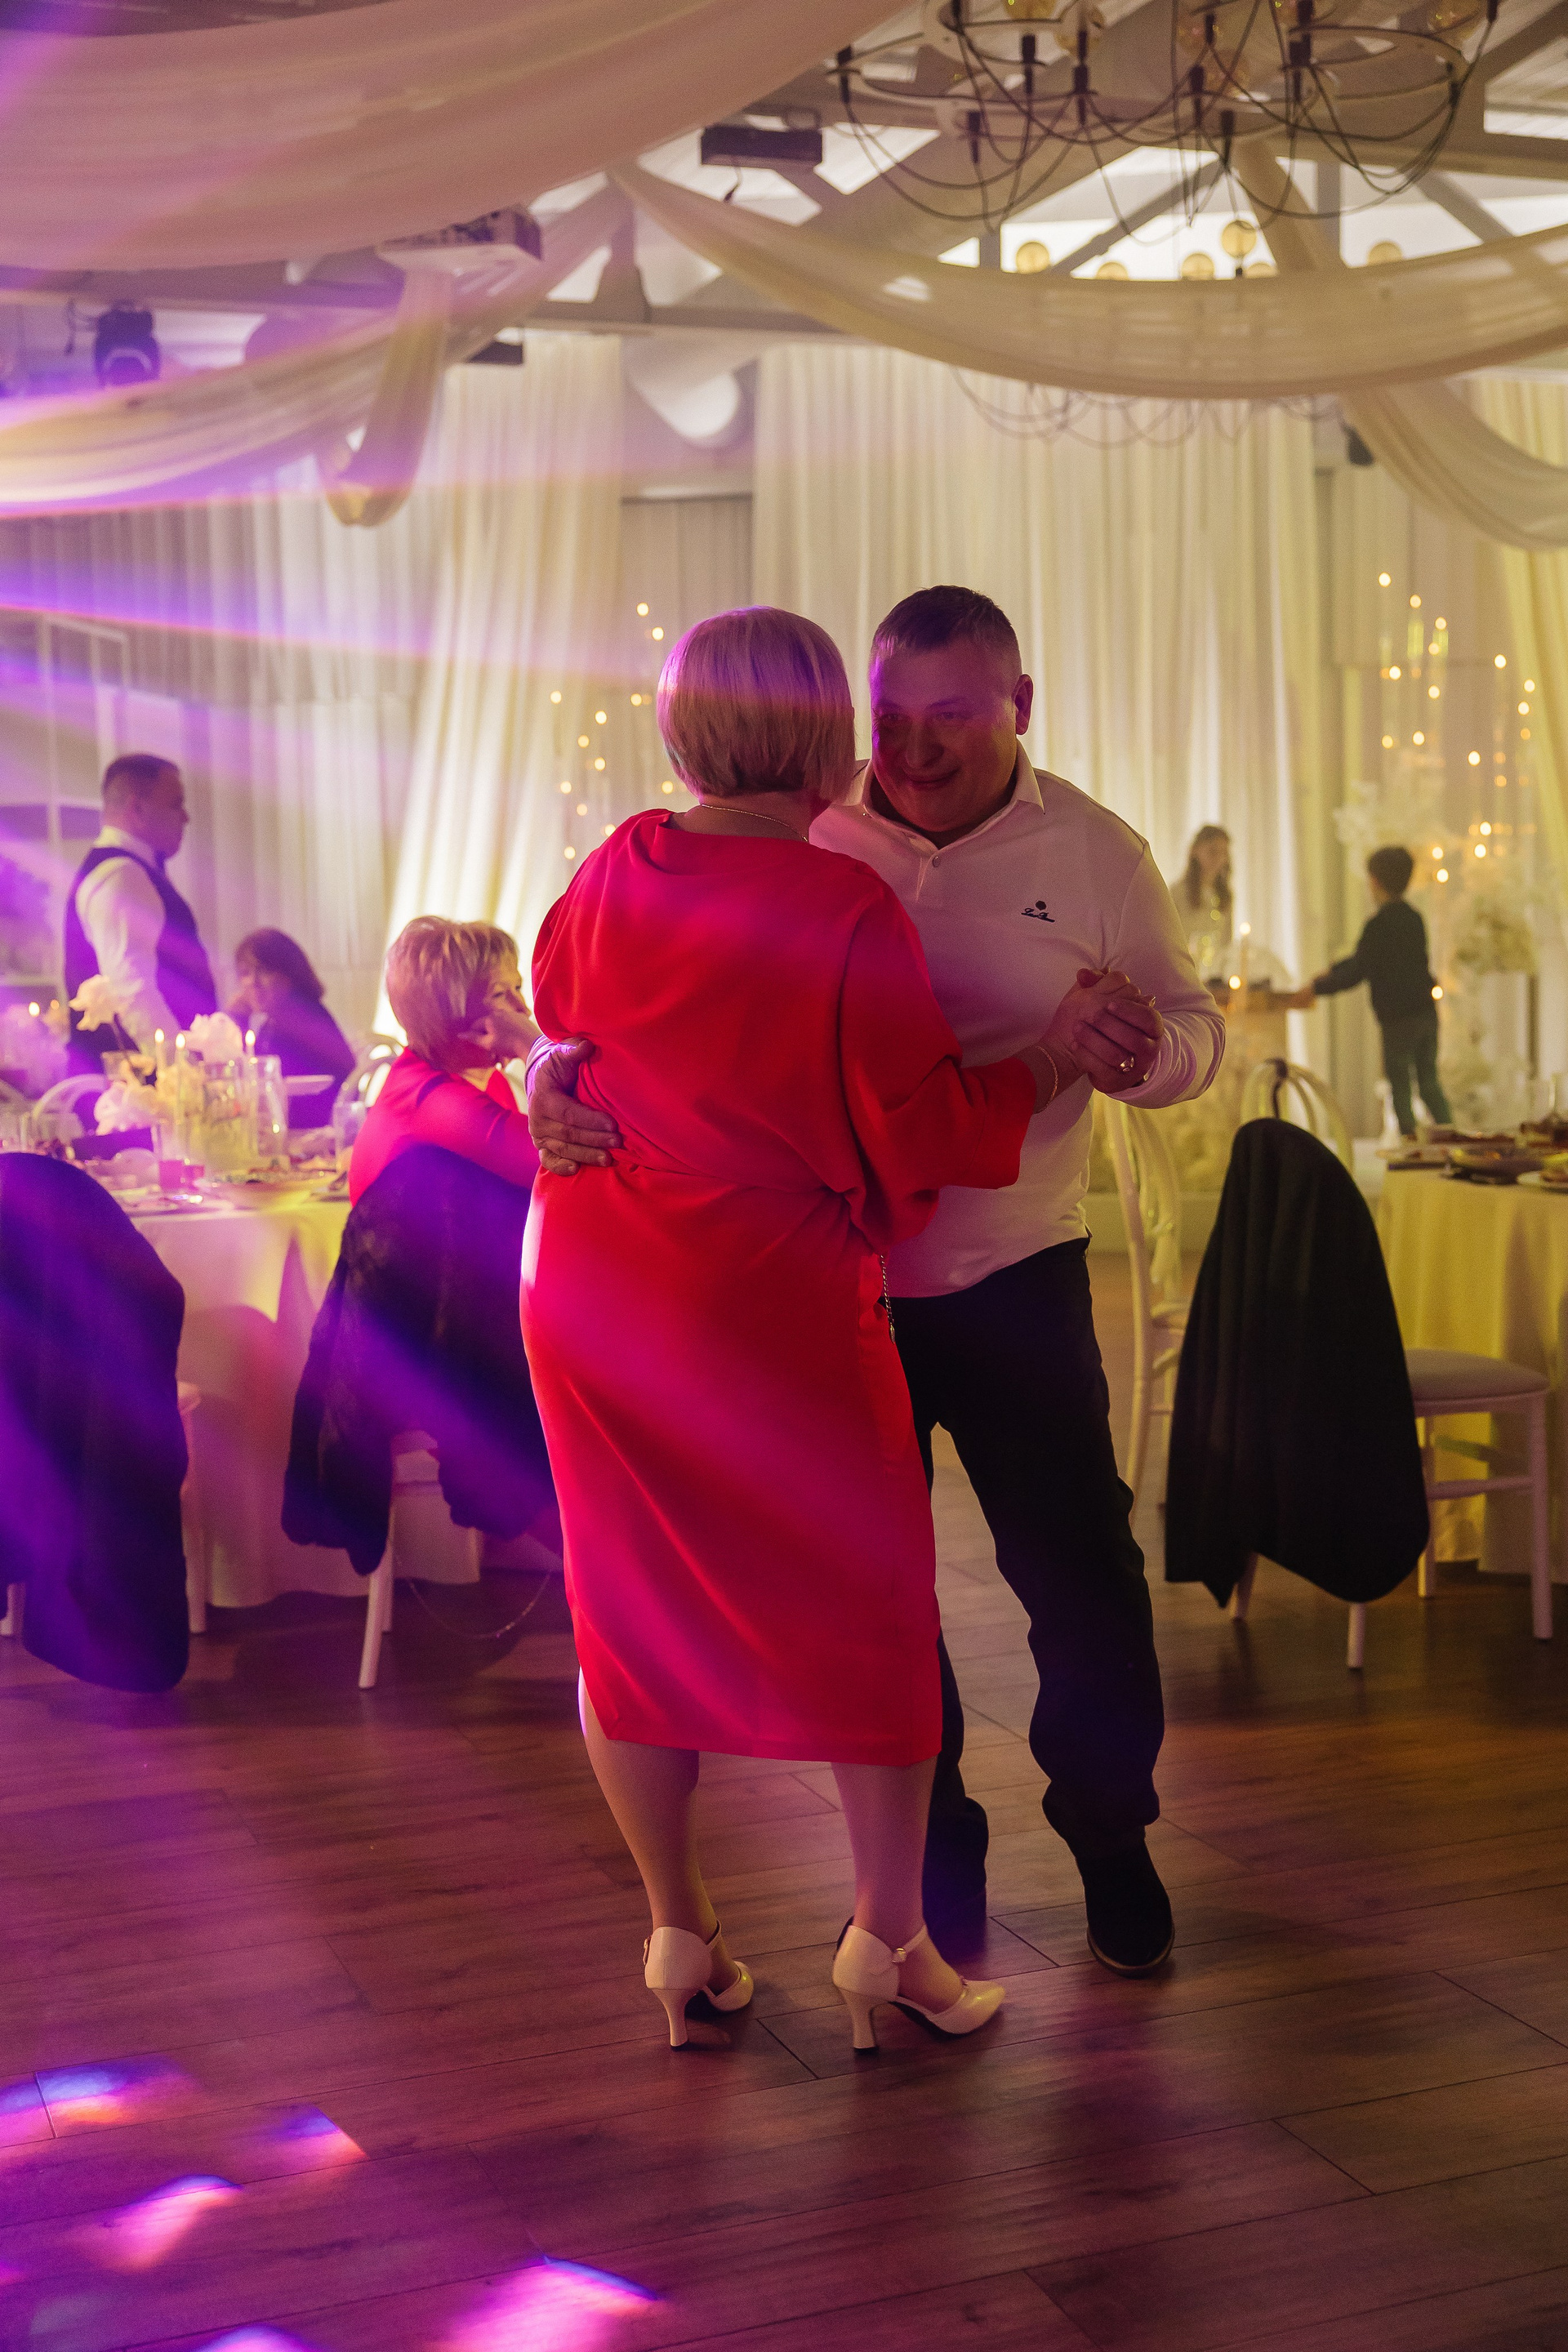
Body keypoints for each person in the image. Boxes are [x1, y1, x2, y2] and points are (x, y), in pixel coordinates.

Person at [532, 586, 1225, 1977]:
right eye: (892, 718)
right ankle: (928, 1882)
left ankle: (1109, 1830)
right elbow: (610, 1011)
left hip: (1016, 1272)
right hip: (828, 1295)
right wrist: (542, 1075)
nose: (909, 748)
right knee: (884, 1606)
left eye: (949, 717)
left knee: (1080, 1578)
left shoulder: (1097, 852)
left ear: (1018, 708)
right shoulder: (809, 830)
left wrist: (1142, 1051)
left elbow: (1197, 1028)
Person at [349, 918, 540, 1205]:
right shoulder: (431, 1099)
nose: (523, 1009)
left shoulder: (487, 1080)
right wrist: (532, 1047)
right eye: (500, 994)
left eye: (518, 988)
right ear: (443, 1011)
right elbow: (566, 1162)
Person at [1285, 844, 1451, 1136]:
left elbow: (1359, 968)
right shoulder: (1414, 919)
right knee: (1429, 1082)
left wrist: (1318, 986)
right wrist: (1331, 972)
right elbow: (1364, 960)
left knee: (1400, 1086)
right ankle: (1451, 1136)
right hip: (1426, 1012)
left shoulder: (1378, 925)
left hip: (1397, 1018)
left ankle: (1409, 1143)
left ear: (1374, 881)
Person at [65, 754, 217, 1072]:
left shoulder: (129, 871)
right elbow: (132, 989)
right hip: (141, 1085)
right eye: (176, 804)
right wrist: (185, 1075)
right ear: (137, 809)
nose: (186, 817)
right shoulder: (121, 875)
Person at [228, 928, 356, 1129]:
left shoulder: (301, 1019)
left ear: (289, 974)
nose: (253, 982)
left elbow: (257, 1083)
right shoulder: (276, 1019)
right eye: (245, 973)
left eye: (264, 970)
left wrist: (238, 1021)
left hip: (316, 1131)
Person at [1174, 824, 1233, 981]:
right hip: (1187, 973)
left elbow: (1226, 942)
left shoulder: (1225, 896)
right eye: (1213, 851)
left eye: (1223, 853)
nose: (1218, 859)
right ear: (1196, 851)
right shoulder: (1178, 893)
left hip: (1215, 976)